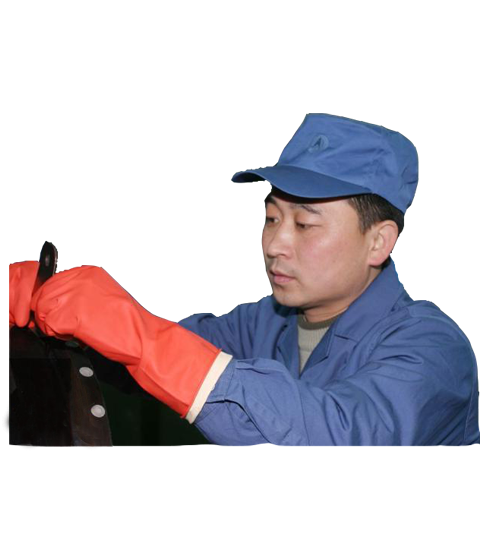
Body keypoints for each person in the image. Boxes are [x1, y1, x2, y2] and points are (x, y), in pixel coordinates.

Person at [9, 115, 480, 447]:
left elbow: (339, 437)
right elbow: (158, 354)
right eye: (272, 219)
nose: (275, 244)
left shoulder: (432, 350)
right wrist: (63, 311)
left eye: (304, 224)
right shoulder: (266, 324)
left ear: (378, 242)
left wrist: (144, 338)